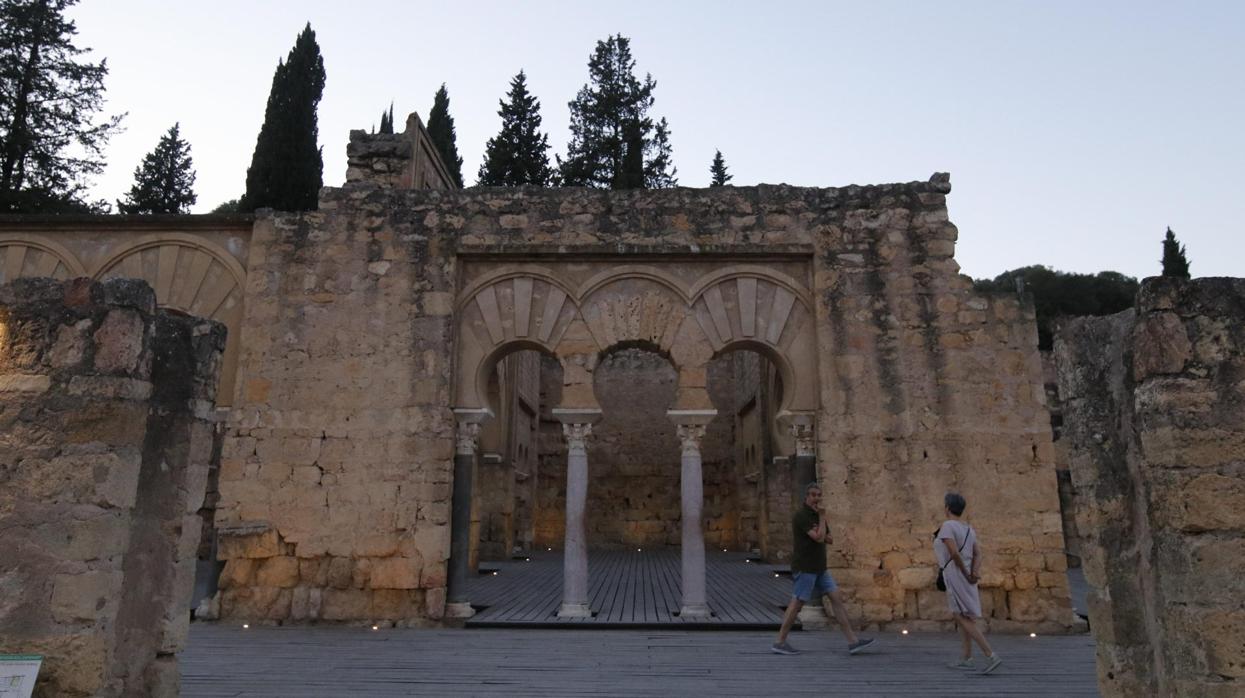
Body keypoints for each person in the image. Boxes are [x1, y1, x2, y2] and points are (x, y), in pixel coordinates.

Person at [771, 482, 875, 655]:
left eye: (819, 495)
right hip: (805, 567)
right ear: (806, 497)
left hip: (820, 568)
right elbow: (819, 538)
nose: (817, 498)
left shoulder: (818, 516)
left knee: (836, 599)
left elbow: (830, 538)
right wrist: (821, 521)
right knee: (797, 603)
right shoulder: (802, 516)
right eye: (813, 495)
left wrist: (821, 525)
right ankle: (780, 641)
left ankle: (853, 641)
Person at [936, 491, 1002, 675]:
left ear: (947, 508)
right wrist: (974, 572)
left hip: (956, 575)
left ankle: (990, 654)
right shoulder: (968, 529)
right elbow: (978, 554)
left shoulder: (947, 526)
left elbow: (954, 553)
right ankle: (966, 658)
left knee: (960, 616)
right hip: (967, 577)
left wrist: (965, 573)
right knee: (965, 616)